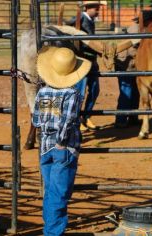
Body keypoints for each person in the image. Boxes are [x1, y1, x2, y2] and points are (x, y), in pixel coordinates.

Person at [32, 46, 91, 235]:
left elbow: (36, 120)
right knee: (59, 194)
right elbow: (67, 122)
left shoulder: (42, 93)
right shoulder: (72, 94)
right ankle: (52, 233)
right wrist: (60, 141)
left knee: (51, 191)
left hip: (45, 146)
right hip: (63, 147)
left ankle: (50, 229)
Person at [67, 1, 107, 131]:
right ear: (88, 8)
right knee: (80, 92)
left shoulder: (89, 20)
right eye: (96, 8)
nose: (98, 11)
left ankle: (86, 116)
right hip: (82, 61)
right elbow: (70, 25)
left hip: (91, 61)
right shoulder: (81, 18)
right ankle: (77, 119)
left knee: (94, 90)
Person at [114, 10, 152, 128]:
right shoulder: (138, 30)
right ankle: (121, 120)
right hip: (127, 65)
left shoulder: (139, 28)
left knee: (135, 92)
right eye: (151, 20)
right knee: (127, 92)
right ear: (147, 21)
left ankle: (132, 117)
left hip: (132, 65)